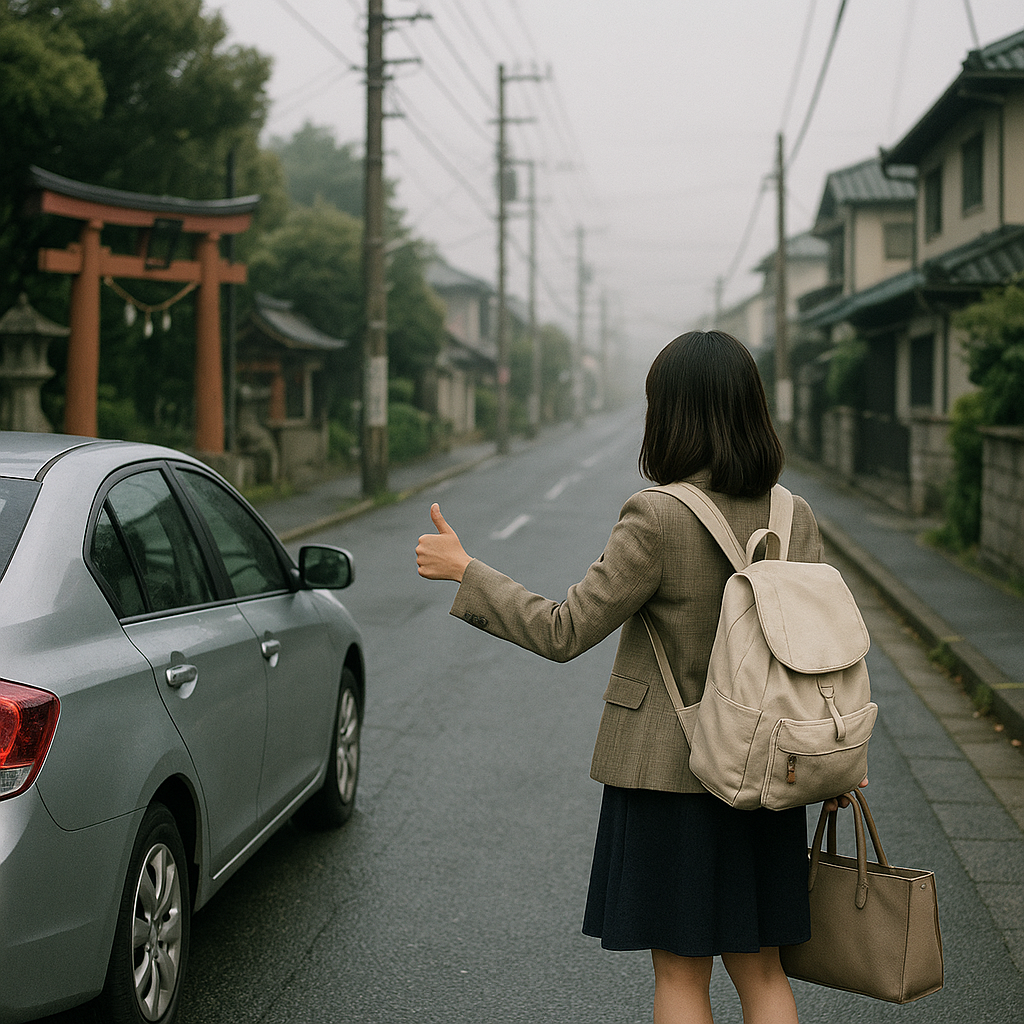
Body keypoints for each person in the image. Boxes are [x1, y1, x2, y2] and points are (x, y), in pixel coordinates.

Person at [416, 330, 861, 1024]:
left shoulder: (656, 515)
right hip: (775, 772)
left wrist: (466, 570)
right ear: (752, 409)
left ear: (670, 414)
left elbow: (564, 630)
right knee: (765, 973)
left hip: (670, 776)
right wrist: (840, 753)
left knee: (682, 977)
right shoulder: (792, 513)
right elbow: (822, 648)